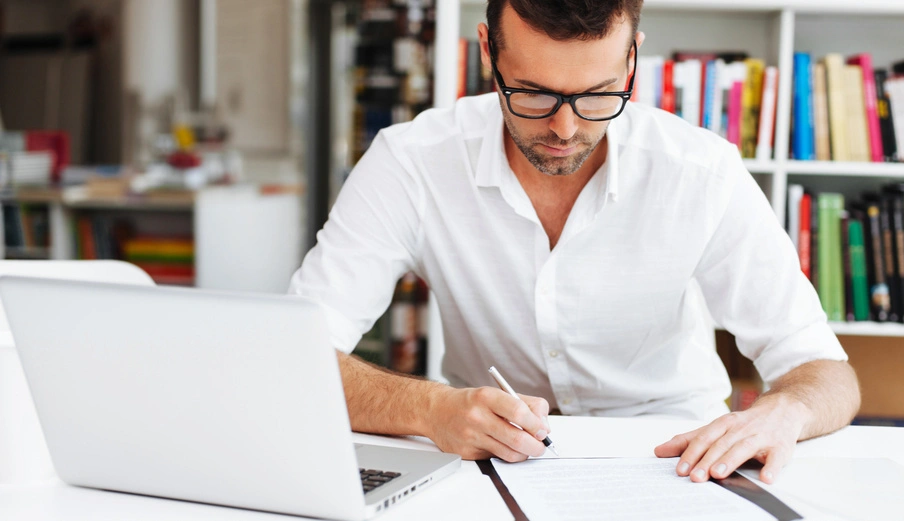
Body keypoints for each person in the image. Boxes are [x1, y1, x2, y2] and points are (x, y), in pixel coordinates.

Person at [288, 0, 860, 484]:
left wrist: (787, 410)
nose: (565, 129)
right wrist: (430, 408)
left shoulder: (700, 171)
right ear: (488, 52)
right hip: (485, 462)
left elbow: (824, 369)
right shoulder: (411, 163)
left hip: (673, 461)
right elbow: (294, 354)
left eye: (597, 94)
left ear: (633, 57)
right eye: (533, 94)